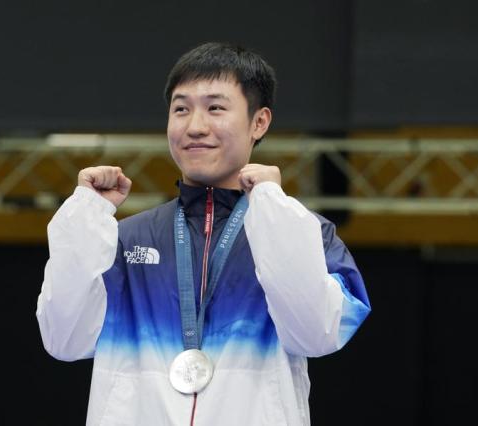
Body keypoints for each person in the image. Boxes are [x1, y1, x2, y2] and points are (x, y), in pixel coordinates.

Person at [36, 42, 371, 426]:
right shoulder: (125, 239)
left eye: (215, 108)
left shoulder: (306, 233)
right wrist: (85, 216)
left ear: (259, 122)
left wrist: (273, 211)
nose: (195, 126)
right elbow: (64, 339)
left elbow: (316, 334)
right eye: (181, 109)